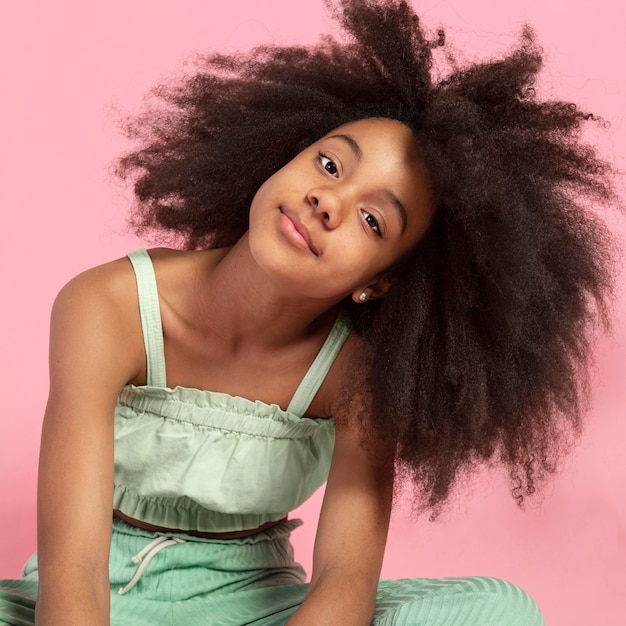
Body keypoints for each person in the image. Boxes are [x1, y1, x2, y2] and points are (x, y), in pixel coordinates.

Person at [0, 0, 617, 624]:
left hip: (257, 608)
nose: (329, 201)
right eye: (329, 164)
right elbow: (72, 572)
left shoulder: (355, 375)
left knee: (500, 611)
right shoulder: (108, 306)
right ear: (280, 154)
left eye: (373, 220)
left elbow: (344, 587)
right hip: (89, 593)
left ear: (377, 283)